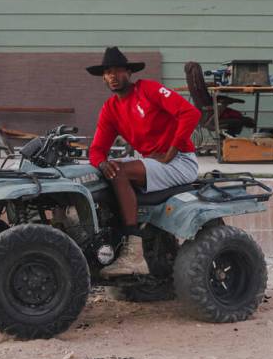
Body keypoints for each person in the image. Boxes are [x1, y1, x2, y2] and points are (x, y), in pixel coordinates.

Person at [86, 47, 201, 276]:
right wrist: (100, 163)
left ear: (129, 73)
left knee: (119, 171)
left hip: (179, 162)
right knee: (101, 173)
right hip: (150, 162)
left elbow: (190, 113)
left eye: (118, 71)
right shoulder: (111, 108)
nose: (112, 76)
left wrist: (171, 151)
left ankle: (134, 254)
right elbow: (97, 149)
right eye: (107, 72)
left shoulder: (148, 89)